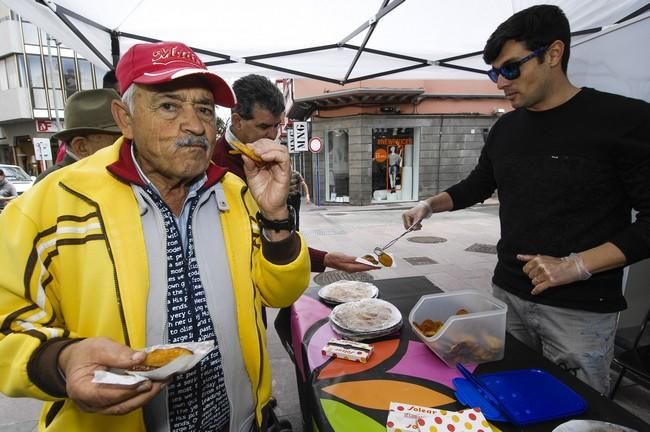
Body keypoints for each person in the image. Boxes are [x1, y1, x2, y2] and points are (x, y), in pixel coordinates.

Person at [0, 41, 310, 432]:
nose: (196, 125)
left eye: (203, 109)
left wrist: (276, 216)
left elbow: (280, 294)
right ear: (124, 117)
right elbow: (8, 321)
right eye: (168, 106)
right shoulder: (53, 205)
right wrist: (61, 360)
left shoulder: (237, 192)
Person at [403, 4, 650, 394]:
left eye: (511, 68)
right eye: (494, 72)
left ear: (554, 54)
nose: (500, 82)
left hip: (580, 312)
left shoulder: (625, 120)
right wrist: (429, 205)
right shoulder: (506, 128)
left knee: (574, 409)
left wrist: (578, 265)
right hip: (506, 298)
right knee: (504, 395)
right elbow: (478, 184)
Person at [214, 74, 377, 273]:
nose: (273, 135)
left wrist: (325, 259)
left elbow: (278, 234)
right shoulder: (211, 164)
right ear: (238, 121)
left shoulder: (267, 157)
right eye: (264, 126)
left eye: (277, 125)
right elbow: (246, 242)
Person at [34, 89, 122, 184]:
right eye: (117, 141)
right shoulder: (53, 183)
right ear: (82, 147)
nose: (126, 146)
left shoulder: (107, 172)